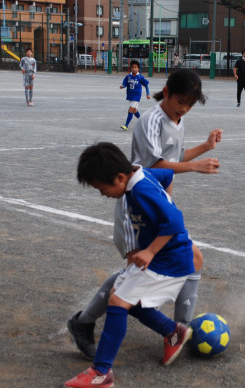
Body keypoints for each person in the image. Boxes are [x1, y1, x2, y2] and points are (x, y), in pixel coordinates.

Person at [68, 69, 222, 360]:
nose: (184, 108)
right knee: (132, 276)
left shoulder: (178, 120)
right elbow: (157, 164)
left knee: (193, 259)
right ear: (166, 92)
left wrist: (204, 148)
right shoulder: (149, 120)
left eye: (190, 104)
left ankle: (180, 331)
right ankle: (84, 322)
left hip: (155, 207)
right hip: (134, 208)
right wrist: (195, 167)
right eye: (181, 101)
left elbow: (174, 158)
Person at [65, 142, 195, 388]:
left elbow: (175, 221)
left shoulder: (141, 189)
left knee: (117, 302)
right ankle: (172, 332)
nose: (102, 194)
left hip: (169, 260)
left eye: (102, 188)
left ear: (120, 176)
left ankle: (101, 372)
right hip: (166, 257)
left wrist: (150, 250)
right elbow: (166, 174)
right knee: (121, 298)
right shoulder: (140, 173)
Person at [120, 59, 150, 131]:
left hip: (136, 96)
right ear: (131, 68)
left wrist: (148, 94)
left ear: (138, 68)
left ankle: (126, 125)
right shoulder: (128, 76)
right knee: (134, 110)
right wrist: (123, 86)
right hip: (130, 95)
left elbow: (146, 85)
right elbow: (125, 83)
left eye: (135, 67)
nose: (134, 69)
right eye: (133, 67)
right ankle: (143, 122)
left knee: (130, 109)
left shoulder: (140, 77)